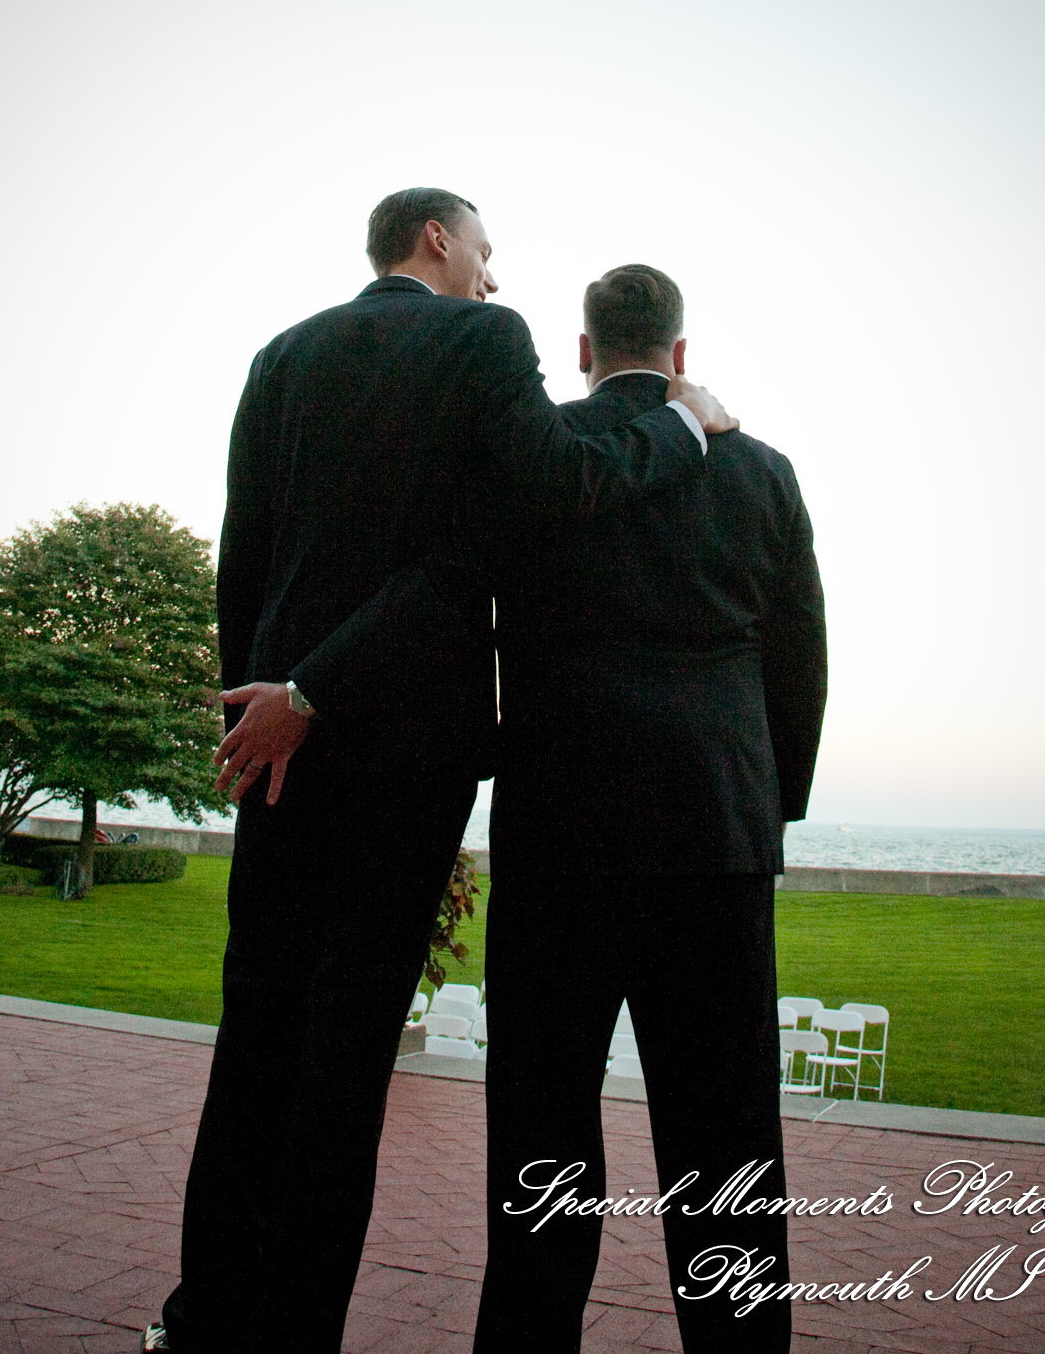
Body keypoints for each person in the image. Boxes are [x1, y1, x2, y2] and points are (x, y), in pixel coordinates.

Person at [147, 193, 737, 1353]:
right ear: (435, 241)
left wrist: (263, 707)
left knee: (253, 1041)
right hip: (403, 763)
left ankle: (203, 1317)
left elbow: (244, 556)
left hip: (275, 751)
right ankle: (292, 1333)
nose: (493, 274)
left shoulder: (282, 353)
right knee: (344, 1063)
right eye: (484, 250)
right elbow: (549, 492)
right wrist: (680, 425)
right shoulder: (484, 341)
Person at [473, 264, 828, 1352]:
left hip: (555, 839)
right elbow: (799, 664)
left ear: (583, 353)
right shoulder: (761, 474)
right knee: (726, 1141)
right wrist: (767, 804)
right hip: (713, 839)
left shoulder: (543, 468)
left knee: (540, 1135)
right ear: (680, 355)